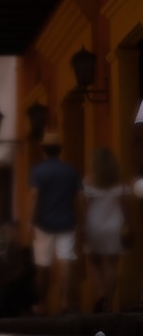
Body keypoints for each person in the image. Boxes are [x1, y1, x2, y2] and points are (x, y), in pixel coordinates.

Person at [29, 131, 83, 316]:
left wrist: (31, 221)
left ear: (43, 150)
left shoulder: (38, 171)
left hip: (43, 223)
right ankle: (65, 301)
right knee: (66, 261)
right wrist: (80, 220)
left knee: (43, 266)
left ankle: (42, 304)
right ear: (59, 150)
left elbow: (35, 197)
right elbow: (78, 198)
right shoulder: (70, 170)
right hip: (67, 222)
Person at [81, 147, 133, 313]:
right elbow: (126, 209)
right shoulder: (120, 184)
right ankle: (109, 303)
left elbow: (84, 207)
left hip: (94, 225)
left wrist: (82, 228)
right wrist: (128, 226)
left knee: (94, 261)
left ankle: (101, 293)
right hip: (114, 227)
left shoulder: (88, 183)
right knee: (111, 265)